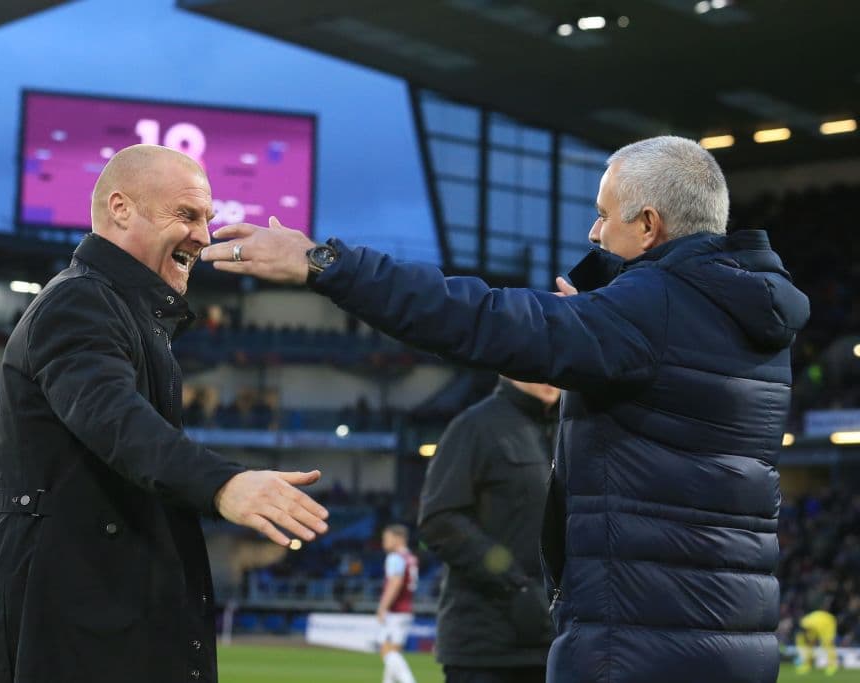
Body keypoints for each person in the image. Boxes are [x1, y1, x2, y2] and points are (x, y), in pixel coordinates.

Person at [201, 136, 811, 683]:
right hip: (736, 642)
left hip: (638, 646)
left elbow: (479, 316)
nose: (594, 236)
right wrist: (600, 317)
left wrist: (324, 264)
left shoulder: (648, 315)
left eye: (603, 216)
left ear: (649, 225)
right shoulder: (751, 317)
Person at [0, 144, 329, 683]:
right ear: (120, 209)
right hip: (78, 634)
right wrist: (222, 484)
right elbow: (113, 418)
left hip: (102, 625)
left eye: (207, 218)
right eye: (186, 215)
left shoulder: (127, 314)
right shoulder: (80, 302)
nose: (204, 236)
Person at [419, 378, 559, 683]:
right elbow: (440, 520)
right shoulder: (475, 426)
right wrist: (515, 585)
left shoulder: (572, 431)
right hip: (485, 646)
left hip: (556, 645)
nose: (549, 376)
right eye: (535, 365)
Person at [376, 524, 418, 683]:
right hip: (406, 609)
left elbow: (395, 583)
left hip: (395, 611)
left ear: (398, 538)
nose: (384, 542)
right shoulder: (411, 557)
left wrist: (382, 607)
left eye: (386, 538)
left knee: (386, 651)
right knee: (394, 651)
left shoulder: (395, 557)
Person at [795, 610, 838, 675]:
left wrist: (811, 641)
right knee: (806, 643)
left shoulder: (816, 625)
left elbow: (813, 640)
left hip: (827, 622)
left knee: (827, 643)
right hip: (816, 623)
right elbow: (809, 639)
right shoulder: (804, 623)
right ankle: (807, 664)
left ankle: (832, 666)